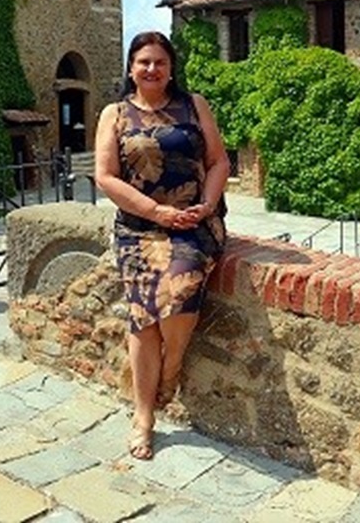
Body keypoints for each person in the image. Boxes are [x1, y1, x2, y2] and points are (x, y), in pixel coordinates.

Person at [94, 30, 228, 460]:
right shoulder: (114, 114)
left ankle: (169, 373)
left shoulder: (194, 105)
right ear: (131, 68)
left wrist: (207, 204)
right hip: (139, 228)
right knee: (143, 317)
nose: (152, 69)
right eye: (144, 62)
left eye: (160, 62)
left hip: (193, 223)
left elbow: (219, 161)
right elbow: (107, 177)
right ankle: (144, 416)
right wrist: (156, 213)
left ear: (171, 69)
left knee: (181, 287)